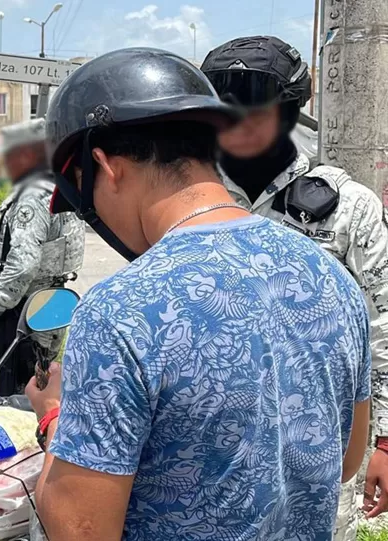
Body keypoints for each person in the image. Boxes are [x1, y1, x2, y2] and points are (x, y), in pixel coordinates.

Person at [26, 47, 371, 540]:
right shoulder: (330, 276)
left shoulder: (120, 312)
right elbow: (345, 458)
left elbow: (81, 529)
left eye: (83, 191)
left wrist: (53, 418)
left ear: (106, 164)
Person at [201, 36, 388, 539]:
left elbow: (383, 328)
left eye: (255, 108)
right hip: (215, 450)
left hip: (323, 446)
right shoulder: (187, 199)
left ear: (294, 108)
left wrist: (387, 442)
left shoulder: (350, 207)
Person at [0, 118, 85, 396]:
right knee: (39, 383)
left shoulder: (32, 198)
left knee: (19, 393)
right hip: (47, 305)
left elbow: (23, 265)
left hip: (23, 311)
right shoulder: (57, 188)